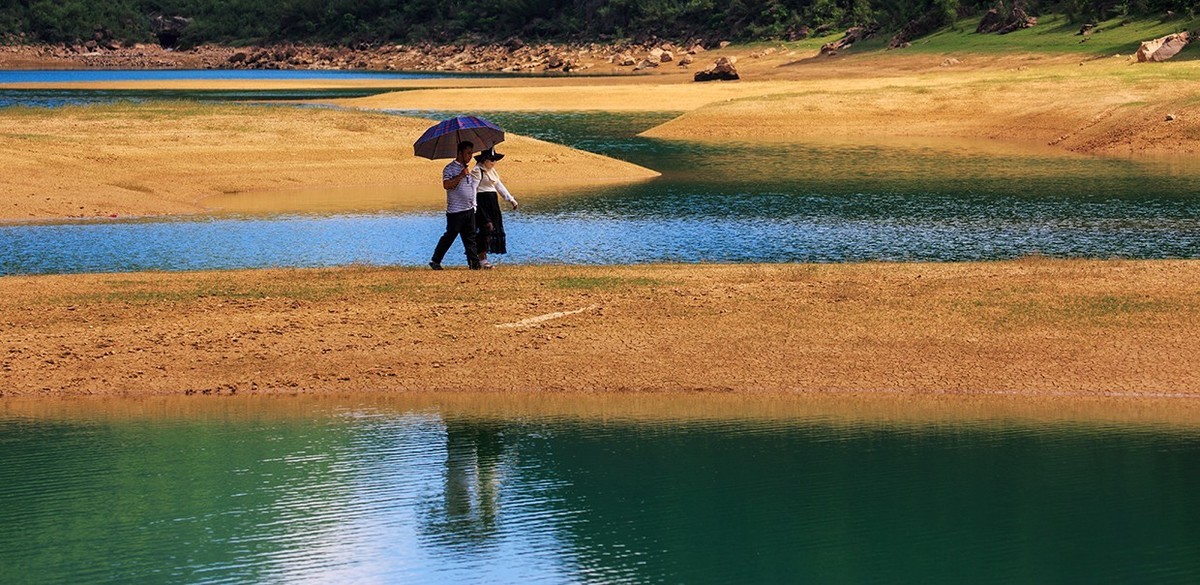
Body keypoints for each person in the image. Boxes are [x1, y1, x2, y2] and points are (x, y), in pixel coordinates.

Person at [430, 140, 482, 270]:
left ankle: (474, 263)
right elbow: (446, 185)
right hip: (456, 211)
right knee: (450, 236)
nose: (470, 156)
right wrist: (460, 176)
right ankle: (436, 260)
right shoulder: (450, 168)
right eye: (468, 153)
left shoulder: (466, 168)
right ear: (460, 153)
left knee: (470, 237)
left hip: (468, 209)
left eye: (471, 153)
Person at [470, 148, 519, 268]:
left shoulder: (492, 171)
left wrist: (510, 199)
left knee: (492, 230)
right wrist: (474, 206)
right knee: (485, 228)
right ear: (484, 159)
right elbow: (473, 189)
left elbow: (498, 185)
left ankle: (481, 258)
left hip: (492, 202)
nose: (494, 162)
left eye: (495, 160)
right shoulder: (477, 171)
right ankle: (481, 259)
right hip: (482, 203)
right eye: (491, 159)